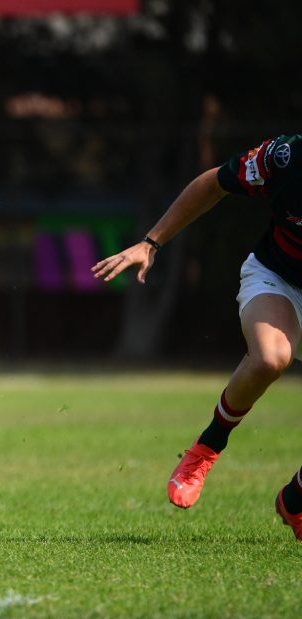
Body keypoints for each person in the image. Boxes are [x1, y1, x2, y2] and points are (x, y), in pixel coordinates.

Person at [92, 134, 302, 541]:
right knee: (270, 357)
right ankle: (206, 448)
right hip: (278, 278)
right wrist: (151, 242)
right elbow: (213, 183)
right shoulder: (286, 157)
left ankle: (294, 499)